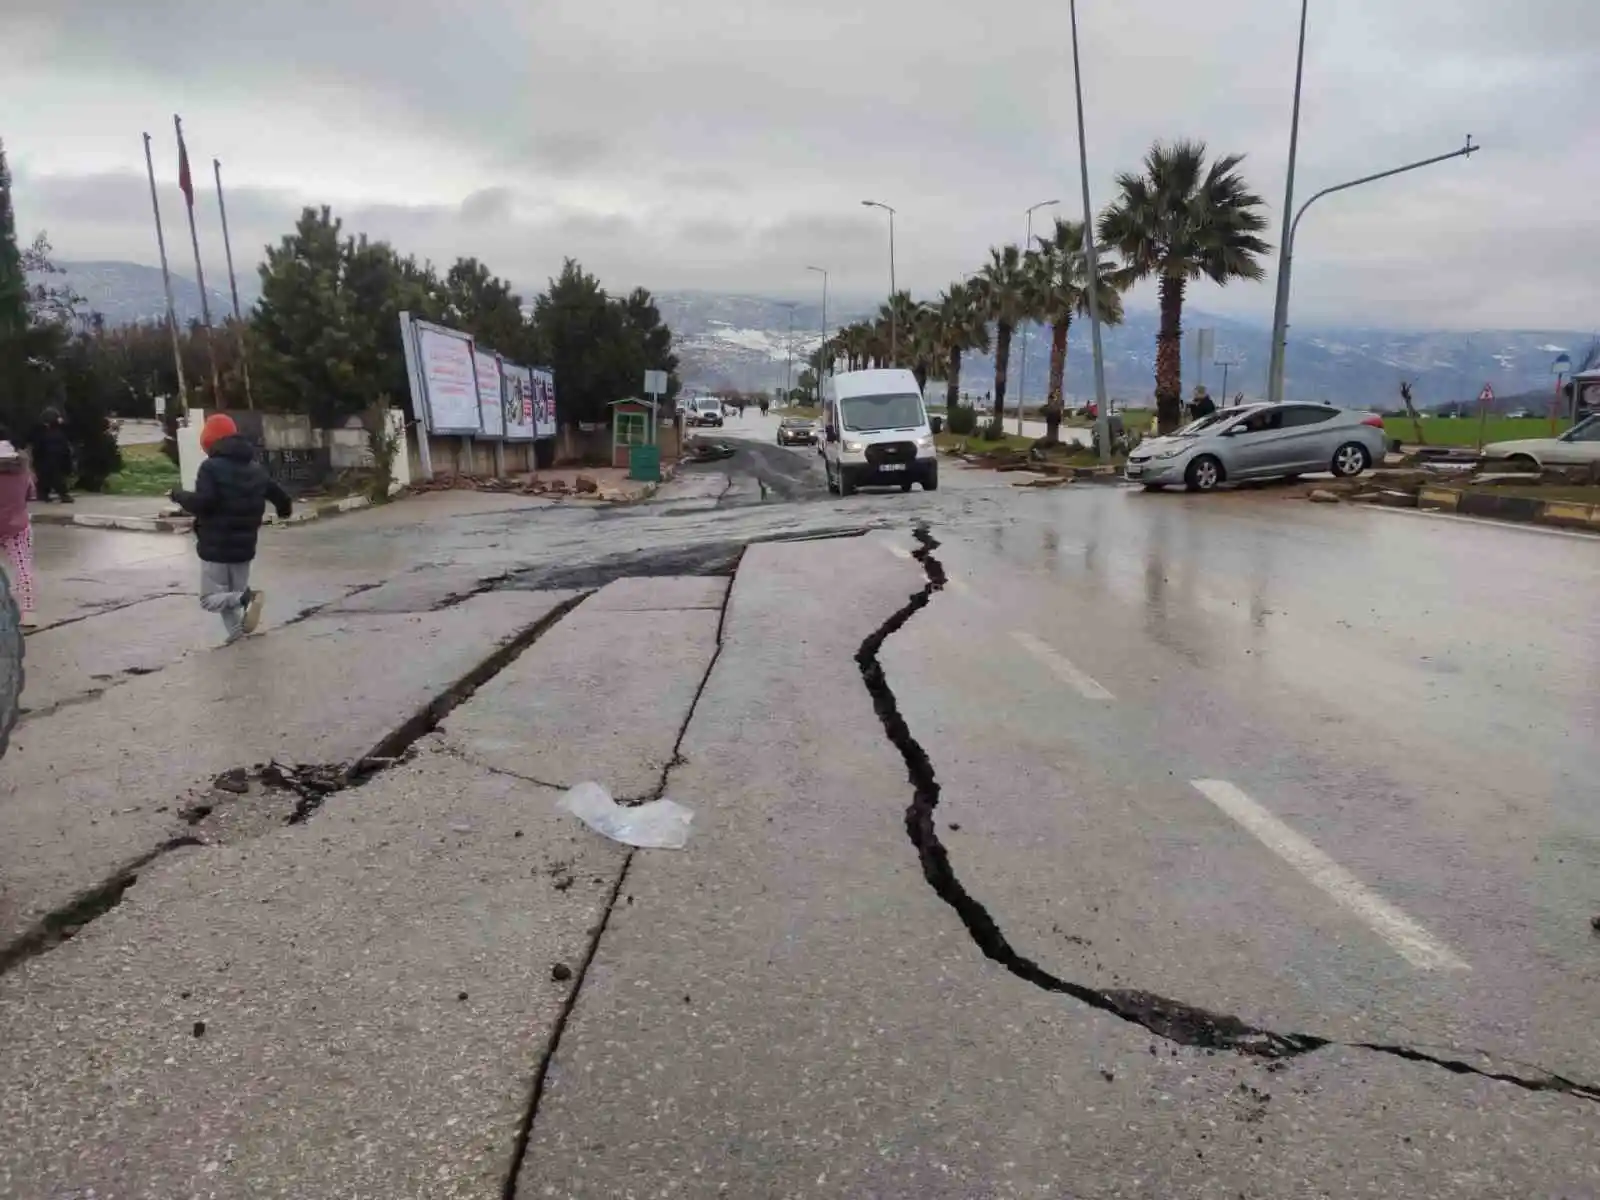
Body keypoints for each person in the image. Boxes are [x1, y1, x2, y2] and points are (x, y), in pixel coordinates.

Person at [170, 413, 292, 645]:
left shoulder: (210, 468)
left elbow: (203, 503)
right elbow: (280, 497)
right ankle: (237, 634)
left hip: (215, 546)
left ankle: (249, 598)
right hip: (244, 548)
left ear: (209, 441)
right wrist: (284, 511)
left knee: (211, 599)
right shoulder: (255, 468)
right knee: (231, 598)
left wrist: (178, 496)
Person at [0, 433, 38, 627]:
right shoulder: (23, 471)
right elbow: (31, 494)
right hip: (17, 526)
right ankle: (28, 612)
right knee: (23, 569)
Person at [28, 408, 73, 503]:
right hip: (55, 461)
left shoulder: (41, 433)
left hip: (45, 462)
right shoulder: (60, 433)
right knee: (57, 478)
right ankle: (62, 494)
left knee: (46, 479)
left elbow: (37, 449)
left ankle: (45, 494)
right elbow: (65, 449)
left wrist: (35, 461)